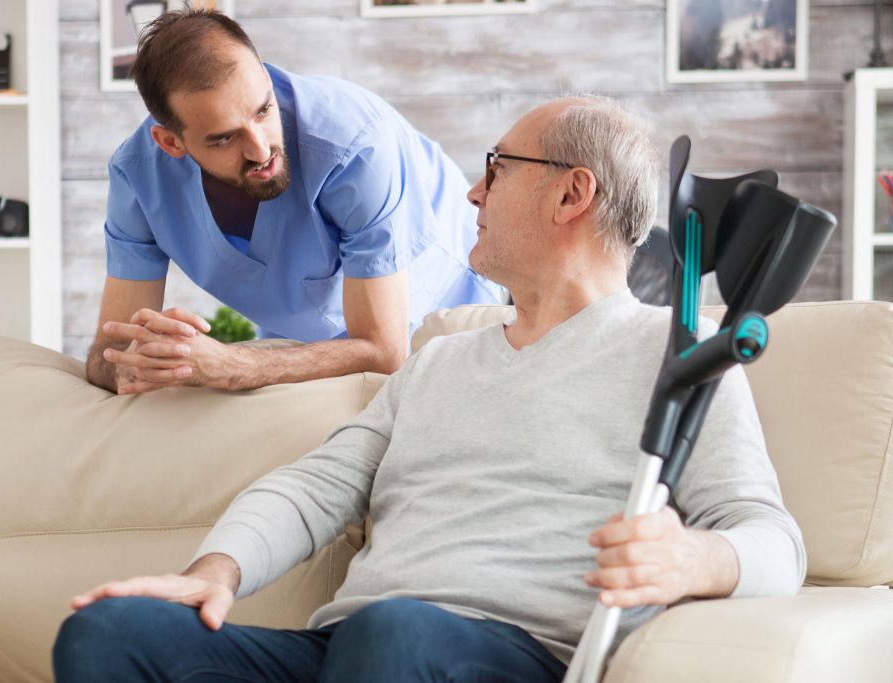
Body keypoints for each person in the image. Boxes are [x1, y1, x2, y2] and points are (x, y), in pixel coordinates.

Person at [54, 96, 806, 682]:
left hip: (513, 656)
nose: (472, 192)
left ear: (572, 193)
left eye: (497, 167)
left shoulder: (680, 359)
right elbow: (315, 486)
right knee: (110, 630)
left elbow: (776, 543)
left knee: (396, 632)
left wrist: (691, 559)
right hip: (353, 650)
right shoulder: (438, 360)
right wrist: (211, 573)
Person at [86, 8, 502, 394]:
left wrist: (234, 364)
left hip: (443, 304)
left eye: (263, 110)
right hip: (303, 343)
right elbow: (110, 350)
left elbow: (383, 350)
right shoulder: (138, 175)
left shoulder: (354, 145)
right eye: (225, 137)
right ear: (171, 142)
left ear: (264, 75)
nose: (260, 149)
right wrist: (140, 364)